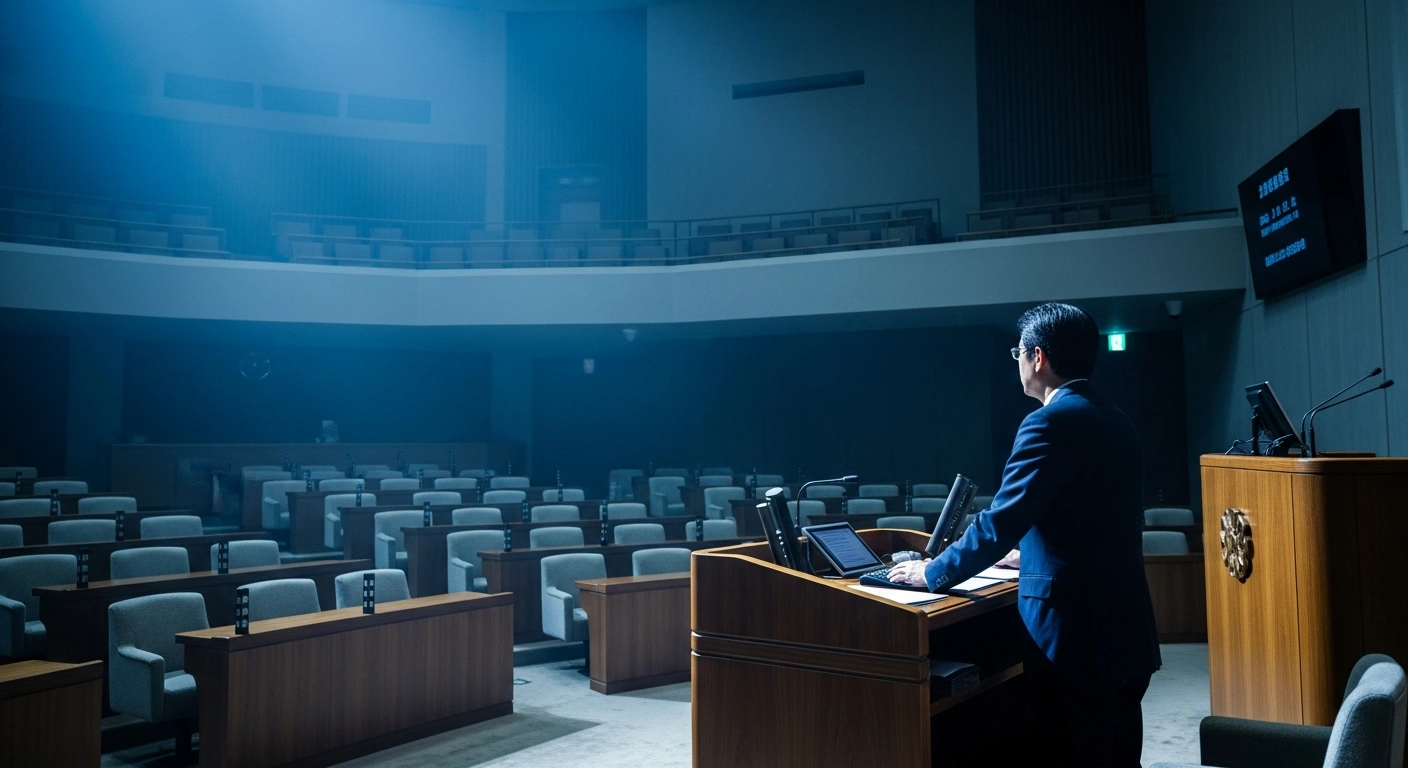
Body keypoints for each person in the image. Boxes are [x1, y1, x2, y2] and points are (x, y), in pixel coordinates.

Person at [888, 302, 1160, 766]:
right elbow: (1095, 522)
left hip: (1074, 635)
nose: (1016, 362)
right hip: (1125, 627)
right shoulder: (1117, 419)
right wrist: (1029, 556)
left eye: (1018, 352)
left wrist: (934, 571)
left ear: (1038, 357)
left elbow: (1000, 521)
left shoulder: (1048, 423)